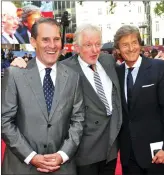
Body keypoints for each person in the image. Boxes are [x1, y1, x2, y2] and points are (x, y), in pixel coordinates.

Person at [10, 23, 122, 175]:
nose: (95, 50)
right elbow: (41, 69)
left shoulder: (108, 61)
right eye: (88, 45)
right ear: (76, 47)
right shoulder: (66, 69)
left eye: (97, 44)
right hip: (84, 152)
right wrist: (19, 65)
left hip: (111, 148)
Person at [1, 17, 85, 175]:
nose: (52, 46)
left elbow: (78, 121)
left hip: (62, 168)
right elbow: (4, 121)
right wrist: (31, 156)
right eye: (45, 39)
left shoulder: (73, 77)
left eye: (56, 39)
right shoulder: (15, 74)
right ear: (33, 41)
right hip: (22, 167)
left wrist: (62, 155)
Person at [115, 25, 164, 175]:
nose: (131, 48)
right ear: (118, 49)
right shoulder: (116, 73)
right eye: (125, 44)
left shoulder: (159, 68)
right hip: (128, 154)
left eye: (134, 42)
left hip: (156, 153)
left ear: (140, 44)